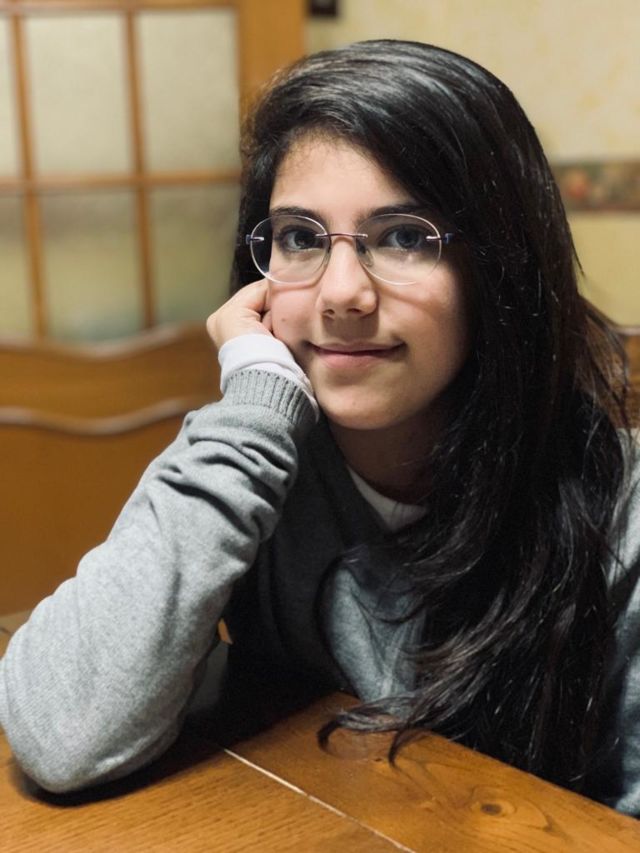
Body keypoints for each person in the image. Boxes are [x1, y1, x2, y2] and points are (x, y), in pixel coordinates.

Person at [1, 40, 639, 813]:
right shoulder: (258, 458)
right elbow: (61, 730)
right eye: (300, 237)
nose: (341, 293)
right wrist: (250, 413)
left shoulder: (617, 510)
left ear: (500, 267)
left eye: (405, 236)